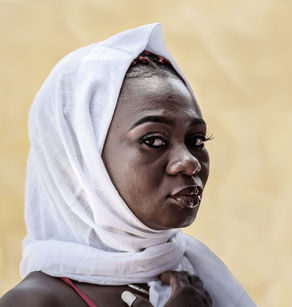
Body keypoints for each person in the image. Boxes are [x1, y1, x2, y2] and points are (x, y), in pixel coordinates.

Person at [0, 23, 256, 307]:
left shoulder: (193, 274)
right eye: (154, 140)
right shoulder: (33, 302)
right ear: (84, 161)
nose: (190, 162)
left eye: (196, 140)